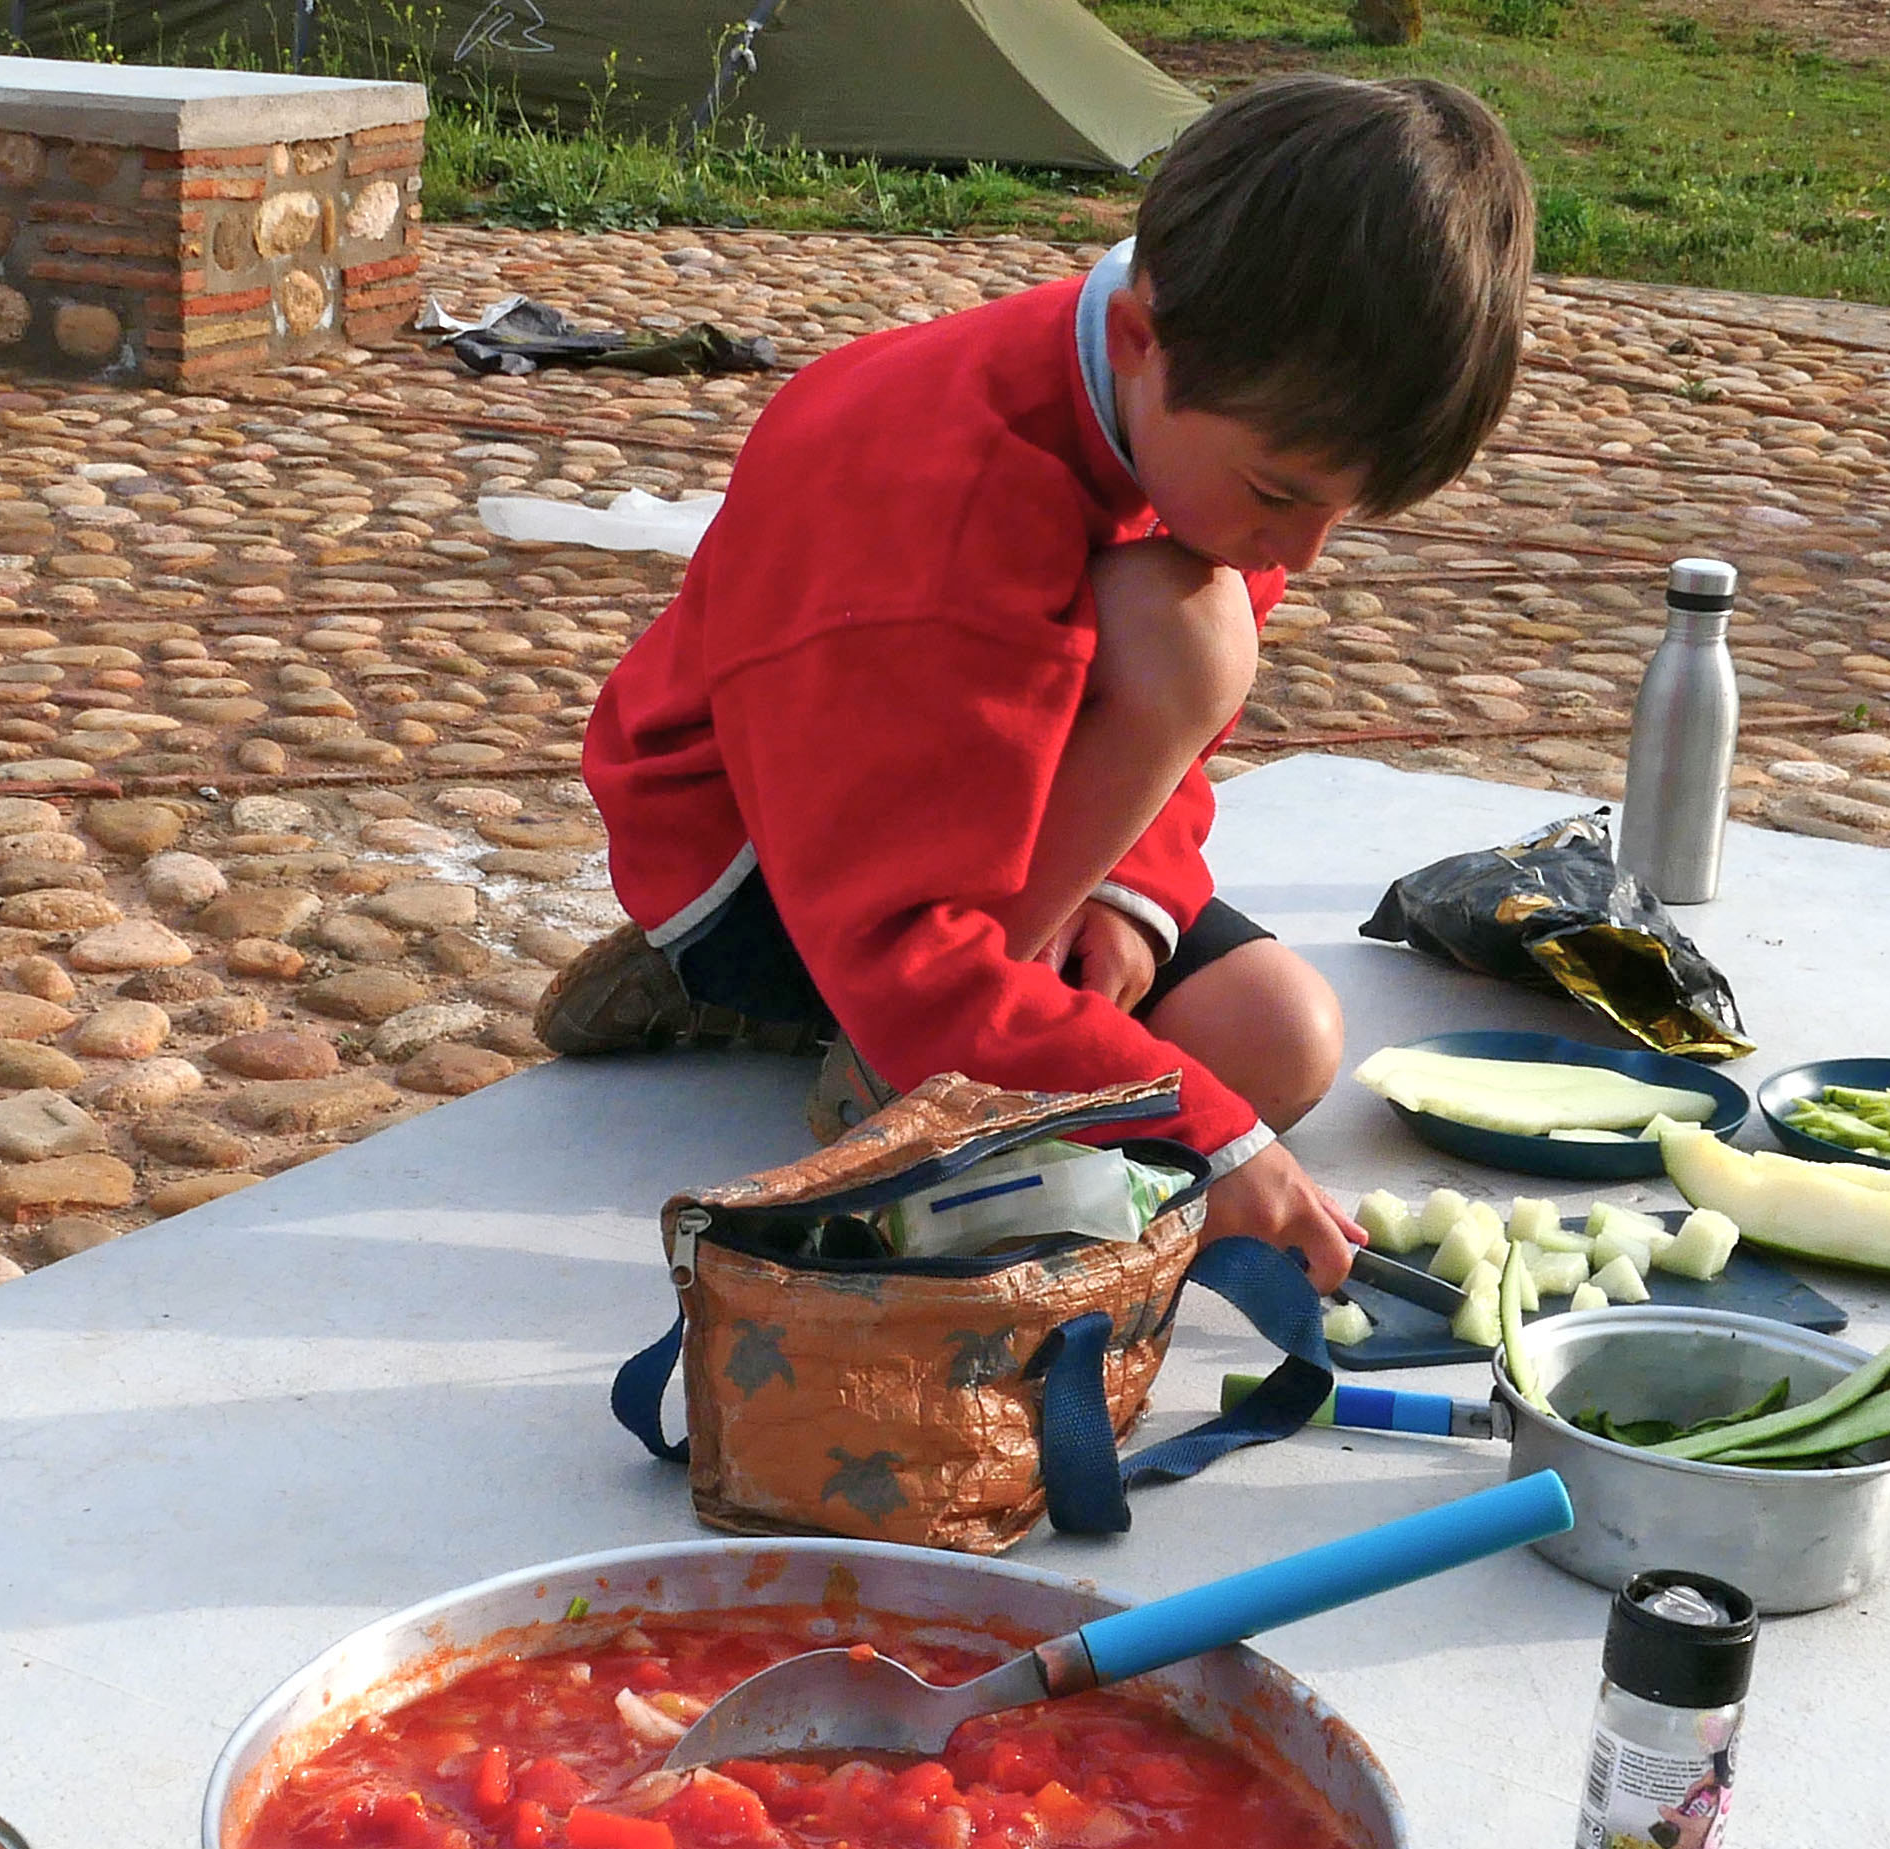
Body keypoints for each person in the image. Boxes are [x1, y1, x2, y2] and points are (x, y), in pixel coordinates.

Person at [537, 74, 1533, 1293]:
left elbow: (1156, 757)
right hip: (763, 867)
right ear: (1135, 338)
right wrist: (1206, 1146)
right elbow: (909, 935)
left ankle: (927, 1042)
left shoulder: (1212, 407)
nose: (1302, 554)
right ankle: (768, 1002)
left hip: (997, 807)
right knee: (1178, 1083)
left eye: (1347, 512)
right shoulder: (927, 503)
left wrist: (1122, 893)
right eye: (1283, 499)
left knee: (1281, 1041)